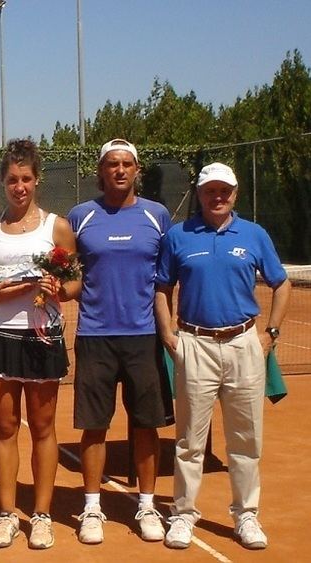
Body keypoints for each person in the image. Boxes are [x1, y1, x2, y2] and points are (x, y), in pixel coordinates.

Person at [154, 162, 291, 550]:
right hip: (194, 343)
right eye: (210, 190)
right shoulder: (178, 236)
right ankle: (183, 515)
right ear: (199, 194)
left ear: (235, 194)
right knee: (189, 441)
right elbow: (162, 288)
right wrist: (168, 334)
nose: (218, 197)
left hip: (244, 343)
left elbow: (281, 285)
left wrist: (272, 333)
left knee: (245, 440)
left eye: (224, 191)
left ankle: (246, 515)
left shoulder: (254, 234)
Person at [0, 139, 81, 550]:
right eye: (12, 179)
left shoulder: (58, 227)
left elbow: (75, 281)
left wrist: (59, 289)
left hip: (43, 339)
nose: (19, 186)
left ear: (37, 180)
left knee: (44, 429)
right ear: (2, 182)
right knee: (5, 428)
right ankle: (7, 513)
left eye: (26, 178)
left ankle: (42, 516)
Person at [66, 138, 173, 544]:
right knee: (94, 426)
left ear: (137, 170)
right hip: (94, 336)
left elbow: (166, 279)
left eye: (127, 163)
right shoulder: (80, 217)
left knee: (147, 425)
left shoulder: (158, 216)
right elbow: (68, 273)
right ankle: (92, 507)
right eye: (113, 164)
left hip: (144, 337)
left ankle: (147, 504)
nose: (120, 170)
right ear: (101, 171)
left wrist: (169, 328)